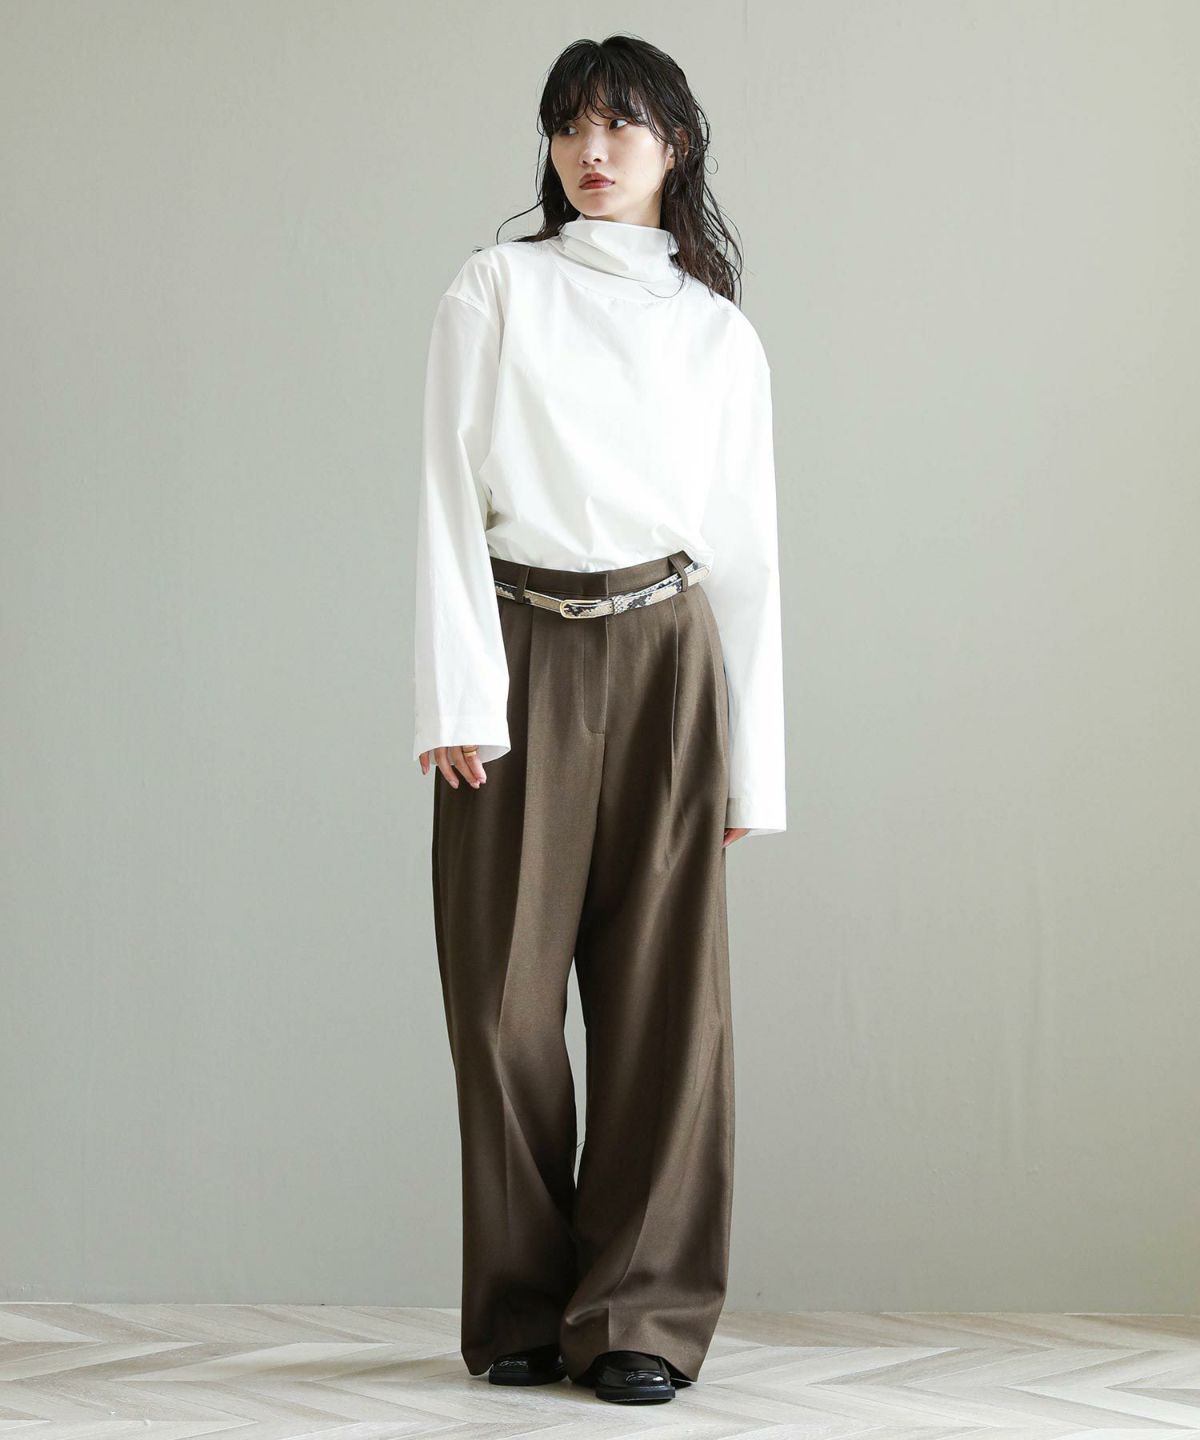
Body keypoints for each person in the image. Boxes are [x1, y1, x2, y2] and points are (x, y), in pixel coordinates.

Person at [412, 34, 786, 1407]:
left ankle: (640, 1315)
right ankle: (520, 1303)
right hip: (519, 646)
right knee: (500, 1003)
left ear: (674, 145)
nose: (593, 148)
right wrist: (458, 693)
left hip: (671, 656)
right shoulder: (495, 288)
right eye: (572, 123)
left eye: (622, 124)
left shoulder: (716, 333)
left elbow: (747, 552)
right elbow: (446, 495)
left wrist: (753, 763)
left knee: (664, 1008)